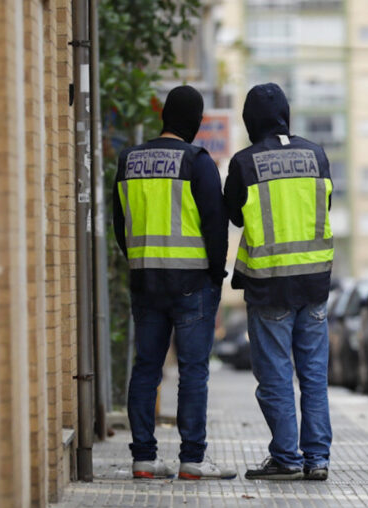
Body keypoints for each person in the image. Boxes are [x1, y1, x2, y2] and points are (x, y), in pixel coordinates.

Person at [113, 85, 235, 480]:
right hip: (191, 283)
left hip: (145, 280)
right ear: (195, 122)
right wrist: (216, 275)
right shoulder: (197, 162)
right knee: (193, 370)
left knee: (146, 368)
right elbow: (215, 227)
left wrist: (139, 261)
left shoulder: (128, 160)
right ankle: (192, 460)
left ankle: (144, 459)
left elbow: (120, 224)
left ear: (165, 116)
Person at [224, 83, 334, 481]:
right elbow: (324, 207)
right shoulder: (317, 155)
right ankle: (317, 459)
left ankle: (287, 457)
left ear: (250, 120)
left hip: (270, 287)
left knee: (275, 377)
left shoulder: (244, 163)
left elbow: (234, 216)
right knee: (313, 376)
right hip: (315, 285)